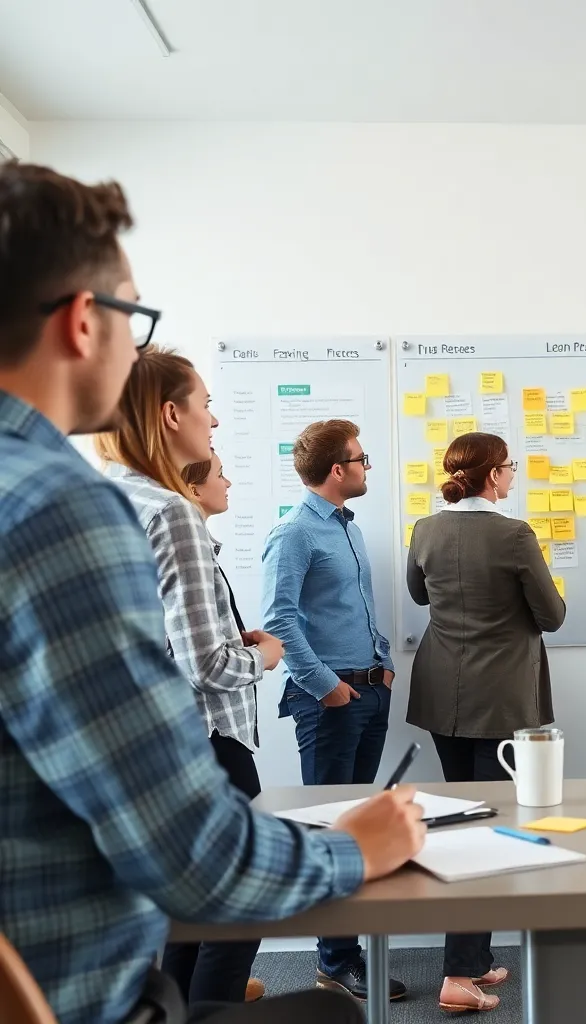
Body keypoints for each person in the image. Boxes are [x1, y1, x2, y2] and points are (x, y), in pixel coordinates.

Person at [0, 161, 425, 1024]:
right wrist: (353, 849)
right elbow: (195, 856)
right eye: (134, 316)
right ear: (83, 320)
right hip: (82, 996)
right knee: (333, 1016)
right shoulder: (62, 510)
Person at [95, 349, 283, 1007]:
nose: (215, 420)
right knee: (241, 911)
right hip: (210, 748)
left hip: (151, 748)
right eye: (206, 404)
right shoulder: (172, 512)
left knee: (188, 916)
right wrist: (265, 657)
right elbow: (206, 664)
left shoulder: (109, 496)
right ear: (172, 415)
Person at [406, 432, 566, 1012]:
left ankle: (471, 960)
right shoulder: (514, 534)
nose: (514, 475)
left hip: (441, 692)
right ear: (494, 476)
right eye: (510, 467)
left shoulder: (425, 529)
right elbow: (552, 615)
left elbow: (418, 596)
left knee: (460, 822)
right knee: (486, 831)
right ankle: (457, 975)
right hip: (499, 699)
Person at [262, 418, 404, 1002]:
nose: (368, 467)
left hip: (369, 690)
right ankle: (334, 962)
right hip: (330, 700)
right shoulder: (294, 533)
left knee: (357, 828)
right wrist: (326, 686)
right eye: (361, 459)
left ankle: (346, 953)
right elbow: (278, 619)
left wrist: (384, 664)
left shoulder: (348, 527)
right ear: (338, 469)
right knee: (330, 831)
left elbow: (360, 606)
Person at [180, 449, 270, 1003]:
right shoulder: (181, 534)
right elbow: (204, 666)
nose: (229, 481)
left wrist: (239, 642)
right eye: (219, 474)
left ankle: (191, 999)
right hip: (215, 738)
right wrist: (264, 657)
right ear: (193, 489)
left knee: (201, 892)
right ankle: (214, 1004)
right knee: (246, 892)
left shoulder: (192, 541)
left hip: (203, 736)